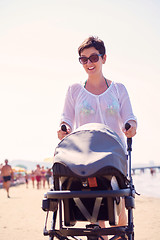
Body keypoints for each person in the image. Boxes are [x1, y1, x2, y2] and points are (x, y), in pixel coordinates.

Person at [57, 36, 137, 237]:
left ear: (104, 58)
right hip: (85, 158)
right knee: (96, 213)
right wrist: (63, 128)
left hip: (113, 157)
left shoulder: (118, 89)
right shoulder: (74, 90)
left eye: (93, 57)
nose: (89, 63)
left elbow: (130, 118)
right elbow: (66, 118)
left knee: (119, 214)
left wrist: (131, 127)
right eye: (83, 59)